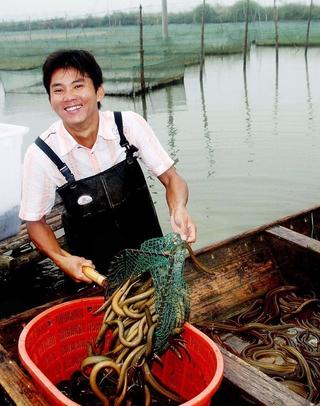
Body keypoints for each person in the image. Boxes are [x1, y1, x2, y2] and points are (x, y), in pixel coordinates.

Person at [19, 49, 196, 284]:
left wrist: (178, 209)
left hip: (150, 263)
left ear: (99, 91)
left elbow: (172, 179)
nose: (69, 97)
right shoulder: (41, 154)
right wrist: (61, 258)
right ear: (50, 99)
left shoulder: (128, 126)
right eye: (58, 90)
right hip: (91, 275)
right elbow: (34, 222)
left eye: (78, 86)